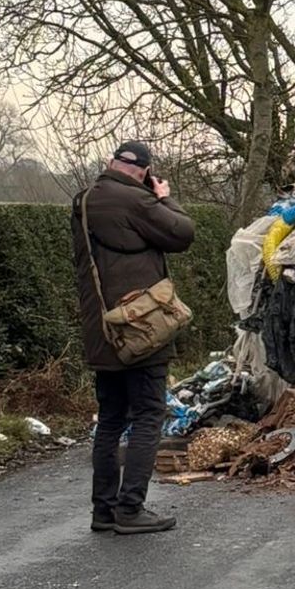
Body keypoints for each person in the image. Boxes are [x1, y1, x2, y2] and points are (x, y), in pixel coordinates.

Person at [73, 140, 196, 535]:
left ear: (111, 163)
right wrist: (164, 199)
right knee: (148, 414)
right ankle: (131, 508)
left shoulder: (85, 200)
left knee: (110, 419)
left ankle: (103, 511)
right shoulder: (137, 201)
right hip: (140, 328)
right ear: (143, 171)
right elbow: (182, 234)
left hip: (101, 328)